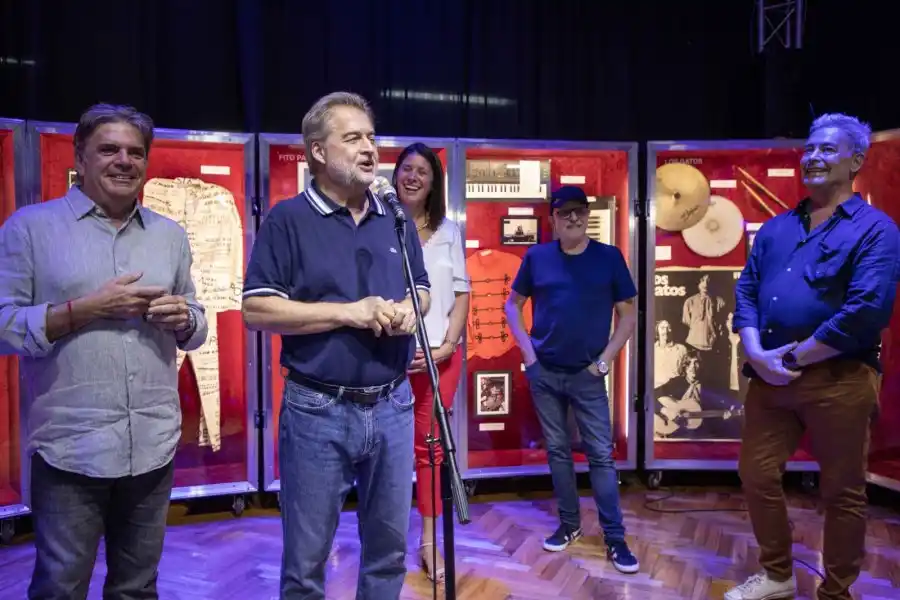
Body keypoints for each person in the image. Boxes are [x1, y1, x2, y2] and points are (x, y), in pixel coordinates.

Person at [0, 103, 208, 599]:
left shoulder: (170, 236)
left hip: (153, 445)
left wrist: (184, 320)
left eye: (136, 152)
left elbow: (197, 325)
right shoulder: (29, 228)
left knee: (137, 588)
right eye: (109, 149)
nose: (124, 161)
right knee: (60, 586)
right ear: (80, 156)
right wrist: (84, 309)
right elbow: (3, 323)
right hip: (71, 449)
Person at [242, 91, 431, 599]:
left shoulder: (394, 216)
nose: (370, 148)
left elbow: (424, 290)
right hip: (317, 411)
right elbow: (256, 308)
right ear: (318, 152)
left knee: (388, 557)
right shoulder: (287, 220)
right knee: (306, 565)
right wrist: (350, 312)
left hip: (393, 404)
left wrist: (411, 311)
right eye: (353, 138)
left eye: (372, 137)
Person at [726, 113, 899, 600]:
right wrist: (757, 352)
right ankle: (778, 575)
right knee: (756, 474)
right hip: (770, 378)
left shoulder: (876, 231)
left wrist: (796, 357)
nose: (814, 157)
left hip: (840, 379)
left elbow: (866, 311)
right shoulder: (778, 228)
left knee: (842, 491)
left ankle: (836, 591)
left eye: (827, 150)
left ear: (857, 161)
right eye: (810, 149)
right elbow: (748, 292)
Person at [505, 185, 640, 574]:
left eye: (580, 211)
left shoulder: (609, 258)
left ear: (588, 215)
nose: (574, 218)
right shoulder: (538, 256)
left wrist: (604, 361)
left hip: (587, 375)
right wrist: (528, 353)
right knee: (558, 452)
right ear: (553, 220)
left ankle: (615, 537)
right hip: (544, 372)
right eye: (565, 213)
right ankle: (569, 525)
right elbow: (512, 304)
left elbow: (628, 315)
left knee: (600, 454)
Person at [393, 142, 470, 582]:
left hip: (441, 357)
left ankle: (428, 543)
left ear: (434, 181)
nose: (414, 176)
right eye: (407, 168)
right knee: (386, 451)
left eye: (423, 170)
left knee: (431, 451)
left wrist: (447, 346)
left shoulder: (448, 231)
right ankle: (384, 540)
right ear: (395, 173)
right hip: (392, 359)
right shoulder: (381, 225)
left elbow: (462, 294)